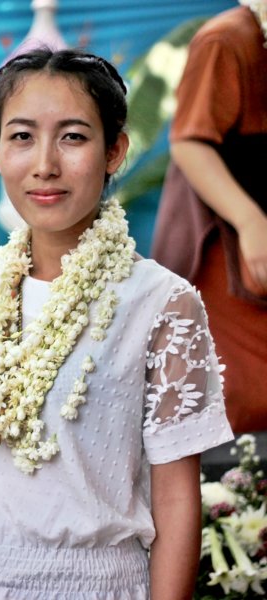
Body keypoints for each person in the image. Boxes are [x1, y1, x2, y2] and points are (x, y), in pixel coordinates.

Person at [0, 48, 233, 600]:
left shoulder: (161, 303)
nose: (44, 164)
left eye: (72, 137)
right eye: (22, 136)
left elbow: (176, 499)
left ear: (115, 150)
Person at [151, 1, 267, 433]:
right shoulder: (227, 40)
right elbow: (188, 142)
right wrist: (250, 222)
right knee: (240, 399)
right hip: (230, 244)